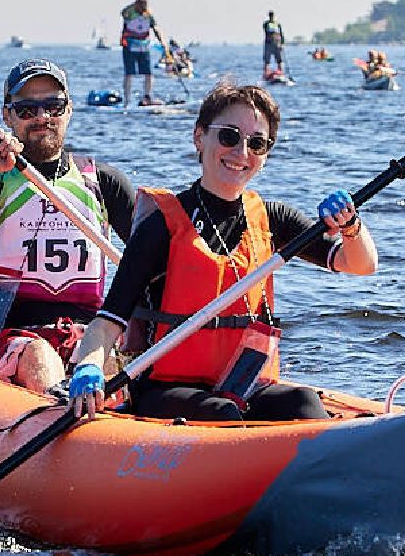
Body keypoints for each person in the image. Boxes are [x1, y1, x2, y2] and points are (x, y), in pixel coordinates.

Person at [66, 82, 377, 424]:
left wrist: (351, 227)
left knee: (301, 402)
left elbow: (360, 265)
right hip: (166, 391)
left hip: (243, 386)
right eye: (229, 136)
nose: (241, 152)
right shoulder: (162, 226)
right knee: (221, 412)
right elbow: (107, 323)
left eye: (256, 143)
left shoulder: (274, 219)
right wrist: (90, 366)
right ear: (199, 137)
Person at [0, 58, 137, 393]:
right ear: (7, 116)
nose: (42, 117)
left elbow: (150, 258)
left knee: (104, 362)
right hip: (13, 334)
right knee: (39, 356)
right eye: (27, 109)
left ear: (69, 111)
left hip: (89, 331)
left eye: (53, 106)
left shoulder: (103, 182)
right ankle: (56, 419)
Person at [120, 0, 162, 106]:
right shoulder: (130, 13)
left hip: (144, 48)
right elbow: (123, 13)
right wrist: (134, 5)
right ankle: (127, 100)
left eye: (145, 4)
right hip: (129, 48)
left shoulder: (148, 15)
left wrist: (162, 41)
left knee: (148, 73)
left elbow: (155, 28)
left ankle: (147, 96)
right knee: (129, 73)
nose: (143, 7)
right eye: (141, 4)